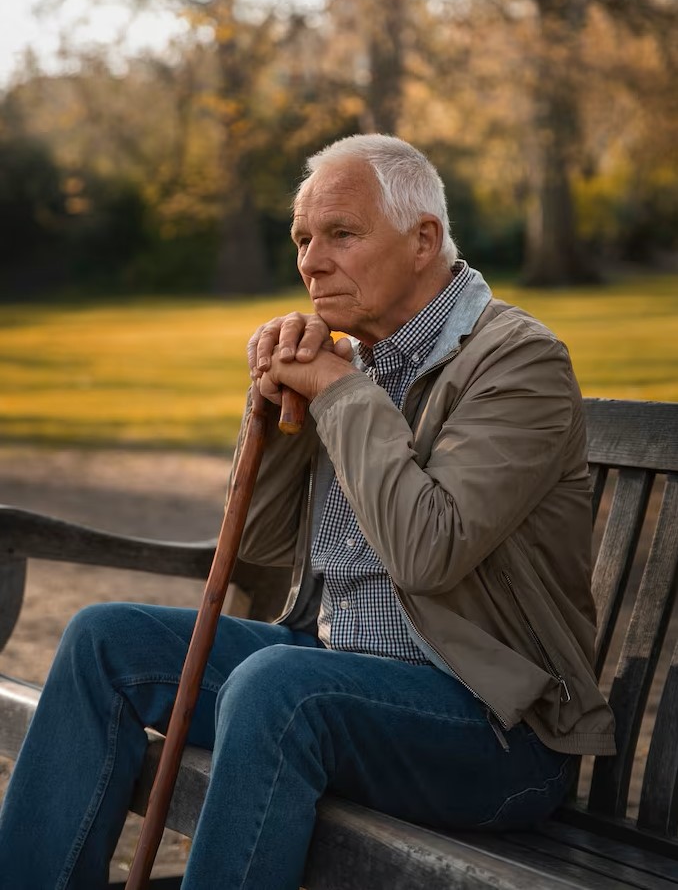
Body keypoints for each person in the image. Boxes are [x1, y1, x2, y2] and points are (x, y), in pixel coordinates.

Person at [0, 134, 615, 890]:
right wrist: (274, 403)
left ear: (423, 240)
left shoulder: (518, 361)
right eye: (302, 238)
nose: (312, 261)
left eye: (341, 235)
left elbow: (429, 548)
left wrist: (339, 390)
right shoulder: (356, 356)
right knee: (104, 641)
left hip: (492, 732)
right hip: (329, 673)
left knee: (277, 686)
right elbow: (255, 544)